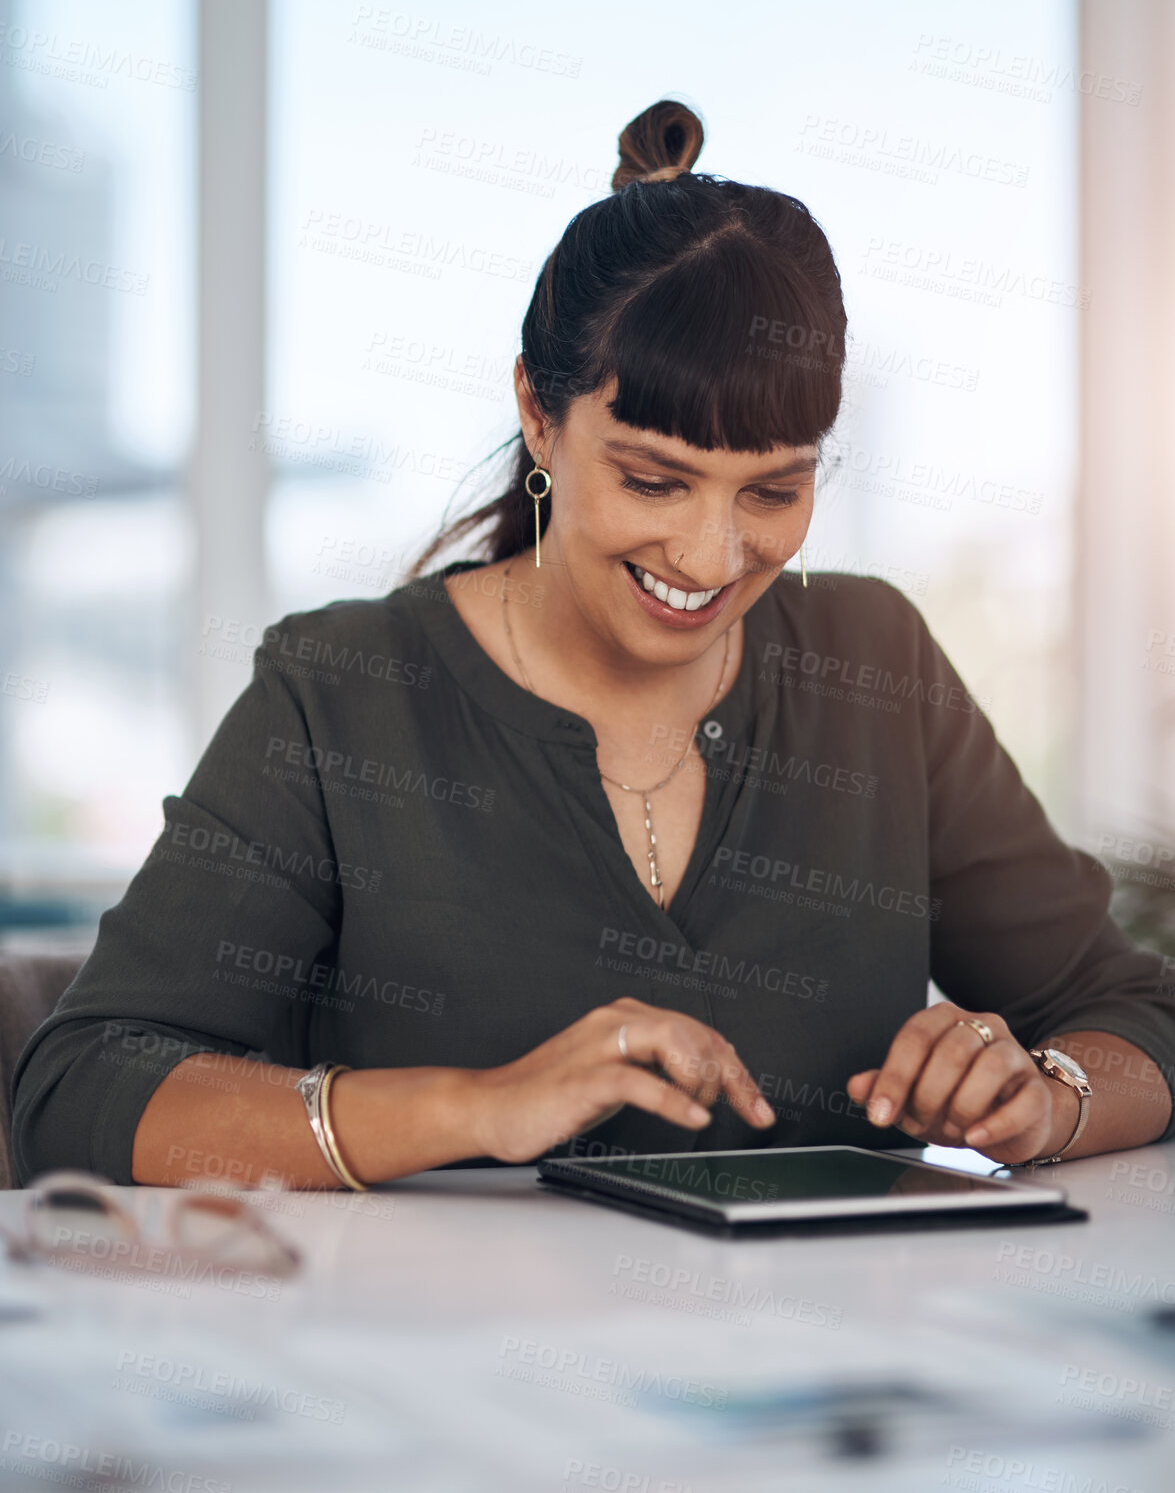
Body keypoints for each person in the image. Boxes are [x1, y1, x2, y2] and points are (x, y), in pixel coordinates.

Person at [12, 100, 1175, 1194]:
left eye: (773, 489)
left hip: (828, 1386)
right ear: (537, 411)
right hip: (445, 1385)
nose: (715, 554)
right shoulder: (340, 695)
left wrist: (1047, 1098)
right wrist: (474, 1106)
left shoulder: (871, 662)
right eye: (653, 479)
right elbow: (78, 1089)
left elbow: (1135, 1013)